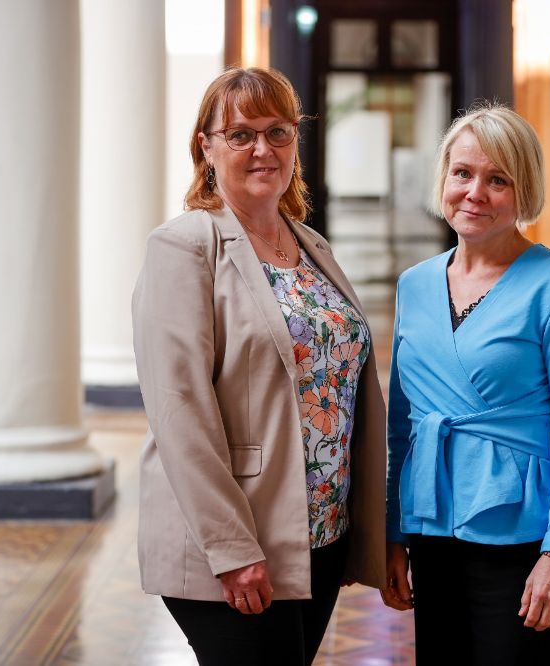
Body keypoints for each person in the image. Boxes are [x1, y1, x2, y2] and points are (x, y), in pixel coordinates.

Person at [132, 67, 386, 666]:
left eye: (278, 132)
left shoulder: (311, 245)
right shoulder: (186, 245)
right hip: (238, 538)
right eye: (241, 134)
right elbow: (179, 409)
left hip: (318, 531)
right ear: (207, 146)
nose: (262, 149)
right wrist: (232, 549)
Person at [379, 102, 550, 665]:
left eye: (497, 179)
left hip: (521, 537)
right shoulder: (414, 285)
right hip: (431, 526)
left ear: (523, 189)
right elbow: (402, 427)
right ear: (444, 179)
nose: (475, 193)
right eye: (463, 173)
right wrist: (392, 534)